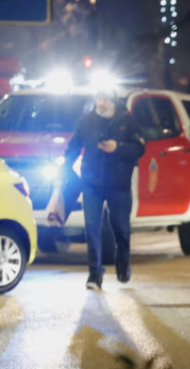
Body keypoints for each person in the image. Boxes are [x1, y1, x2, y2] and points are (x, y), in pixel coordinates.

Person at [64, 89, 145, 290]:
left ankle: (123, 263)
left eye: (106, 100)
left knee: (121, 229)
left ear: (114, 102)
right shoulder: (87, 121)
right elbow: (73, 147)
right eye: (99, 99)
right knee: (92, 229)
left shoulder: (127, 120)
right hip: (92, 183)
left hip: (118, 184)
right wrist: (65, 169)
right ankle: (94, 274)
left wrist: (118, 147)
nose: (102, 103)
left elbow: (139, 148)